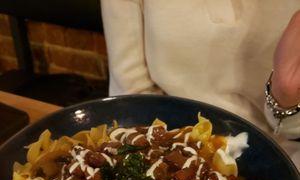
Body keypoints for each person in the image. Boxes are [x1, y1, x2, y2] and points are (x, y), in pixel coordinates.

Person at [101, 1, 300, 168]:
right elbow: (132, 100)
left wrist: (285, 97)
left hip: (281, 159)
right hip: (168, 151)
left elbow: (293, 132)